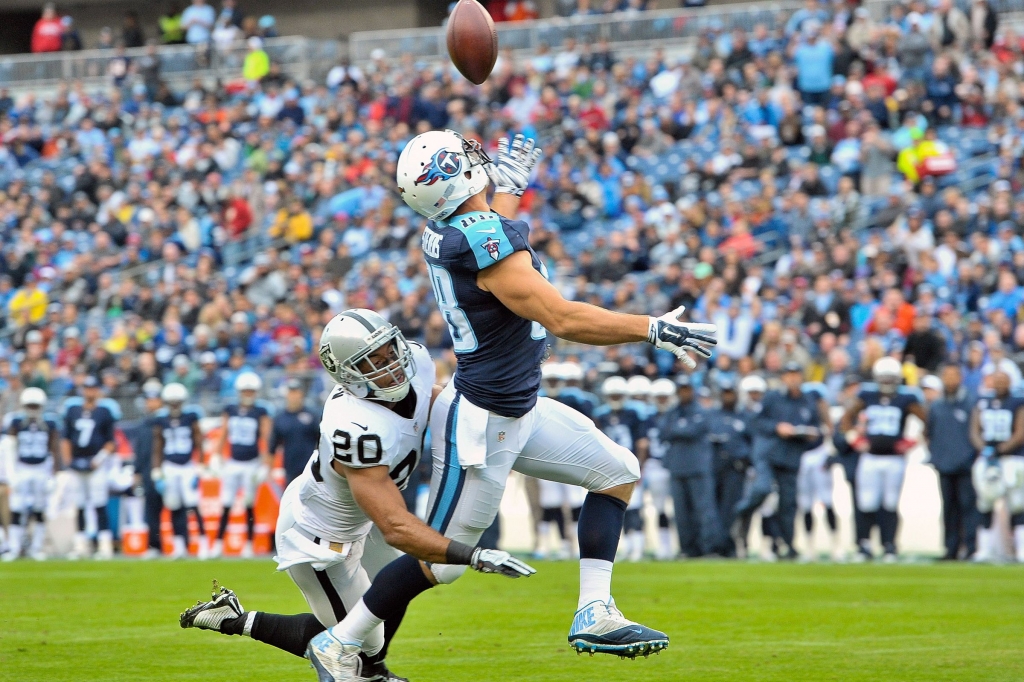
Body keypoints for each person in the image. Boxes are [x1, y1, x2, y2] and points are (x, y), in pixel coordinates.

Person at [305, 131, 716, 678]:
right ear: (453, 175)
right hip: (481, 423)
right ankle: (338, 642)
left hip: (516, 406)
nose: (480, 160)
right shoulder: (480, 240)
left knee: (617, 471)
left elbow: (485, 225)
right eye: (465, 156)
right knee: (441, 563)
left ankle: (595, 610)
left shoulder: (457, 227)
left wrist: (509, 190)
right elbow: (561, 317)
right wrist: (653, 328)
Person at [180, 310, 533, 682]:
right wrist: (470, 554)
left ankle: (374, 670)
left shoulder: (419, 364)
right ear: (349, 374)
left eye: (390, 350)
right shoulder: (355, 426)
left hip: (364, 513)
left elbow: (437, 405)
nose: (393, 366)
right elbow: (396, 526)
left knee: (388, 596)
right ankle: (233, 620)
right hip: (320, 537)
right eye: (374, 362)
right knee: (357, 638)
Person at [838, 357, 926, 562]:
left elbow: (927, 422)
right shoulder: (867, 395)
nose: (886, 382)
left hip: (894, 459)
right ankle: (864, 544)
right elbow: (846, 419)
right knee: (866, 503)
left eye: (890, 378)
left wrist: (912, 442)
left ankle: (889, 546)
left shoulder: (906, 399)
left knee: (890, 504)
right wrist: (855, 439)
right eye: (883, 378)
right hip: (869, 458)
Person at [756, 362, 830, 560]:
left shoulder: (808, 400)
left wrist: (808, 435)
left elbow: (817, 428)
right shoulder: (772, 398)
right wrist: (777, 427)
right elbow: (759, 422)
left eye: (796, 374)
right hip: (772, 456)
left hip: (794, 458)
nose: (792, 378)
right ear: (783, 377)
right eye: (789, 374)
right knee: (770, 502)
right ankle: (772, 543)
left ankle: (788, 543)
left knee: (789, 504)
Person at [211, 371, 272, 558]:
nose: (247, 394)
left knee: (248, 504)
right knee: (226, 503)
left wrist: (265, 464)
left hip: (251, 463)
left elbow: (267, 438)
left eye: (250, 391)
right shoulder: (230, 409)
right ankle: (218, 544)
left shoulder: (260, 411)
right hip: (232, 462)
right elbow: (223, 434)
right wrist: (216, 455)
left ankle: (248, 544)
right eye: (245, 391)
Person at [660, 374, 721, 557]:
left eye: (687, 389)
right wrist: (681, 429)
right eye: (681, 390)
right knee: (681, 513)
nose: (684, 393)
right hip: (677, 468)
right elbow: (663, 431)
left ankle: (708, 548)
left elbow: (693, 430)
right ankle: (687, 549)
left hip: (698, 467)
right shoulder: (672, 412)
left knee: (704, 510)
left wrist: (677, 429)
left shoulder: (701, 411)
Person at [969, 370, 1024, 563]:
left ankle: (1020, 550)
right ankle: (985, 549)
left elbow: (1020, 431)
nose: (1000, 384)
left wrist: (1000, 449)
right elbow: (974, 430)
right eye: (997, 380)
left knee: (1017, 504)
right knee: (985, 503)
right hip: (987, 458)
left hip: (1012, 458)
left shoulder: (1017, 402)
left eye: (1004, 380)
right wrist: (985, 449)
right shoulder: (983, 401)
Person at [62, 376, 120, 559]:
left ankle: (104, 545)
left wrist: (99, 458)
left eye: (93, 388)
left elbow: (111, 442)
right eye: (87, 388)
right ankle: (81, 545)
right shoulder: (73, 410)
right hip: (77, 462)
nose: (90, 391)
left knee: (99, 504)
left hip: (96, 463)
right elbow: (66, 438)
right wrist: (68, 461)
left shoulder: (104, 412)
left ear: (97, 390)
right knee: (79, 504)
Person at [924, 365, 978, 560]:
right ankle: (951, 548)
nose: (950, 380)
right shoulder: (937, 406)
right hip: (944, 465)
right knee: (948, 509)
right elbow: (929, 432)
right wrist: (936, 456)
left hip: (966, 464)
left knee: (968, 506)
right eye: (946, 376)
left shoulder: (970, 403)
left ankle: (971, 548)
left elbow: (977, 432)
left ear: (961, 378)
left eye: (954, 375)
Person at [593, 376, 649, 561]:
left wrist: (639, 466)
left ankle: (638, 547)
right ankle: (625, 547)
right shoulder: (601, 415)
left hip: (629, 466)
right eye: (613, 395)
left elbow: (641, 443)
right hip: (609, 468)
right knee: (616, 509)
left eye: (618, 395)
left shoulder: (633, 414)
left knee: (634, 509)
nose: (615, 398)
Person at [151, 383, 208, 559]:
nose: (175, 405)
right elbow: (158, 445)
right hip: (170, 467)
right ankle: (179, 546)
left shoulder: (190, 417)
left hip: (187, 466)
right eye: (172, 402)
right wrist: (157, 470)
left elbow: (199, 442)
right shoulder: (161, 420)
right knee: (173, 506)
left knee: (193, 505)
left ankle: (204, 544)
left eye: (177, 402)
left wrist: (199, 467)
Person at [1, 388, 59, 561]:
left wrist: (53, 475)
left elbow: (53, 449)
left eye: (35, 406)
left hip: (41, 469)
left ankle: (36, 548)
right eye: (30, 405)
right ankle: (14, 547)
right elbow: (10, 450)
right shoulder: (16, 422)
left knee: (40, 509)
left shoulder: (49, 423)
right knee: (16, 509)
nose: (33, 409)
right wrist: (11, 474)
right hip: (22, 468)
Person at [794, 382, 840, 561]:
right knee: (805, 504)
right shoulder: (799, 409)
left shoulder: (824, 418)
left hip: (819, 454)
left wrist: (830, 454)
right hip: (802, 456)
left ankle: (835, 545)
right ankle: (809, 547)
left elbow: (832, 435)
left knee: (827, 500)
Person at [707, 378, 751, 557]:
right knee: (713, 508)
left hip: (735, 468)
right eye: (725, 394)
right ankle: (715, 545)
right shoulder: (712, 416)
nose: (728, 397)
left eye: (730, 393)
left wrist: (745, 459)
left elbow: (752, 442)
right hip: (714, 467)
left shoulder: (744, 417)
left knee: (730, 509)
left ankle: (729, 546)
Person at [644, 378, 676, 560]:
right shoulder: (649, 418)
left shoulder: (676, 415)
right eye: (659, 397)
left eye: (665, 397)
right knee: (660, 507)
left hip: (677, 465)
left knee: (679, 508)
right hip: (656, 465)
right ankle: (665, 546)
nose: (662, 400)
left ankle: (680, 543)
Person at [270, 378, 322, 485]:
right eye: (291, 392)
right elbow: (273, 446)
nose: (294, 396)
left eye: (296, 392)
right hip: (290, 466)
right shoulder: (280, 418)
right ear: (286, 394)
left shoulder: (312, 416)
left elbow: (321, 440)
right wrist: (269, 468)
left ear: (301, 394)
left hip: (311, 467)